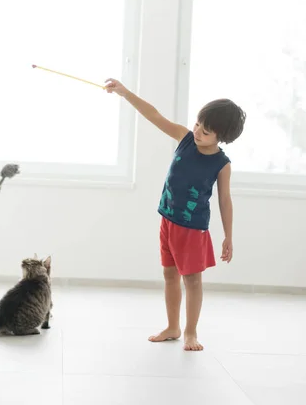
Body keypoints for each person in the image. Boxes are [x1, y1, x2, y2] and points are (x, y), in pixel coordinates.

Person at [105, 78, 245, 351]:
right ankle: (173, 326)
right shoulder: (184, 138)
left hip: (192, 230)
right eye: (197, 125)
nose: (197, 132)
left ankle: (191, 332)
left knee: (192, 280)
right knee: (170, 276)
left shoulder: (221, 164)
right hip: (167, 221)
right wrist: (124, 93)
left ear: (221, 137)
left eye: (205, 132)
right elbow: (153, 115)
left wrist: (228, 236)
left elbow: (225, 201)